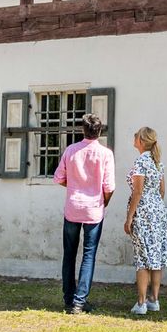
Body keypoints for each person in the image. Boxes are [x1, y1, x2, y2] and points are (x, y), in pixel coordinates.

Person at [53, 112, 115, 314]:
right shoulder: (106, 154)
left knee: (69, 254)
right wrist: (103, 202)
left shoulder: (71, 150)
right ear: (99, 131)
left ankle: (68, 299)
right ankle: (80, 302)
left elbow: (58, 178)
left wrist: (73, 187)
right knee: (89, 255)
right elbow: (109, 187)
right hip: (94, 210)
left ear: (82, 129)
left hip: (73, 206)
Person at [123, 126, 167, 316]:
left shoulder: (140, 162)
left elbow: (137, 191)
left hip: (143, 213)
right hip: (157, 213)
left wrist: (129, 217)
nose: (134, 137)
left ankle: (141, 302)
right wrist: (156, 207)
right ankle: (155, 299)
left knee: (143, 258)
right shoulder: (157, 162)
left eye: (136, 136)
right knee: (156, 257)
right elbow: (162, 190)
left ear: (141, 141)